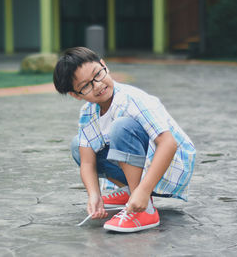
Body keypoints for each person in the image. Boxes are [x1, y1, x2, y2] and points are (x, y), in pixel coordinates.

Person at [53, 47, 196, 233]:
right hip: (145, 165)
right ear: (76, 95)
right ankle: (131, 191)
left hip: (170, 166)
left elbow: (168, 143)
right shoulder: (88, 113)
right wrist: (94, 195)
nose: (97, 85)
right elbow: (87, 161)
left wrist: (144, 192)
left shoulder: (132, 100)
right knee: (77, 145)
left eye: (98, 74)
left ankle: (145, 209)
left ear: (104, 65)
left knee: (122, 127)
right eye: (86, 86)